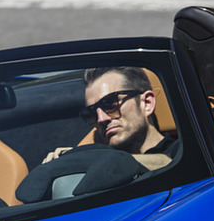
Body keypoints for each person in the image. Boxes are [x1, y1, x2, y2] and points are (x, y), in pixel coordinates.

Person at [43, 66, 177, 163]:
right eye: (92, 112)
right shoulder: (97, 171)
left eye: (110, 104)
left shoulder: (184, 152)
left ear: (146, 103)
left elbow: (170, 163)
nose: (101, 119)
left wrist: (96, 159)